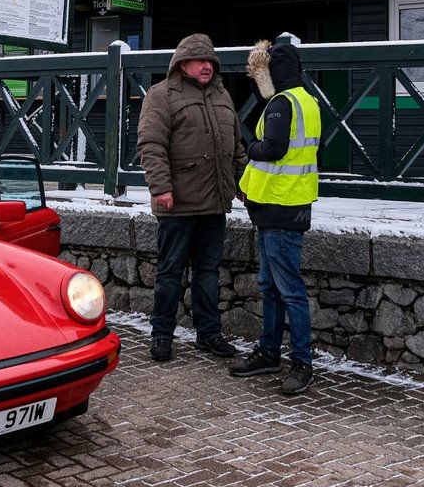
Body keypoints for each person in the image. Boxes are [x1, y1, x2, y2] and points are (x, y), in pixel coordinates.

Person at [137, 33, 248, 362]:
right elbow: (151, 145)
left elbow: (235, 148)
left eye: (211, 61)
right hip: (178, 203)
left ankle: (209, 334)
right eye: (200, 61)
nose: (207, 67)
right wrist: (161, 188)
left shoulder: (223, 96)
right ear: (182, 63)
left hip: (214, 203)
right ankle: (161, 334)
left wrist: (244, 183)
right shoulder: (161, 95)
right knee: (170, 272)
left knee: (208, 272)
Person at [229, 40, 320, 395]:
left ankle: (301, 363)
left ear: (272, 71)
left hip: (280, 207)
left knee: (288, 290)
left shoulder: (283, 103)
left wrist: (249, 147)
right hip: (285, 204)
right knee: (272, 287)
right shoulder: (307, 100)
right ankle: (269, 352)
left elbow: (274, 149)